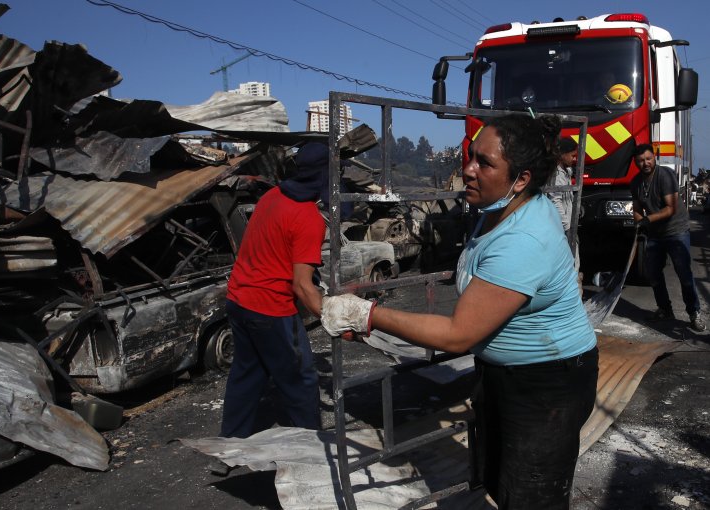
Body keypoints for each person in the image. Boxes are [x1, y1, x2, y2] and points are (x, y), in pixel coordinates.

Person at [321, 114, 598, 509]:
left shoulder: (523, 239)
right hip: (505, 374)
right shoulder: (499, 210)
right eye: (470, 156)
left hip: (546, 384)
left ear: (520, 179)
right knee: (501, 480)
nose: (467, 169)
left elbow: (458, 334)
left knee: (533, 494)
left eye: (484, 163)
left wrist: (365, 315)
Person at [219, 142, 327, 444]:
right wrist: (335, 320)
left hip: (239, 300)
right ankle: (312, 451)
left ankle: (230, 445)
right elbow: (302, 286)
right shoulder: (308, 217)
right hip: (270, 309)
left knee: (247, 374)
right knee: (300, 379)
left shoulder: (272, 195)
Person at [630, 144, 705, 331]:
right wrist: (640, 222)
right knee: (653, 274)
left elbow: (670, 209)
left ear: (654, 157)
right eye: (640, 160)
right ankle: (665, 309)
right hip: (655, 233)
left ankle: (694, 313)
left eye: (648, 158)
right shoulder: (636, 182)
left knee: (684, 274)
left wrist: (646, 220)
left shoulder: (665, 175)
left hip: (676, 230)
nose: (645, 163)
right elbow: (637, 209)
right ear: (635, 162)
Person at [548, 138, 582, 293]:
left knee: (574, 261)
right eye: (572, 155)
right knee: (570, 262)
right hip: (562, 227)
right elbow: (556, 201)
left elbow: (568, 198)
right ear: (561, 155)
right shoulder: (556, 174)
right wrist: (567, 227)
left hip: (568, 224)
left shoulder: (566, 172)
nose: (574, 159)